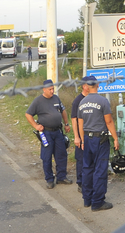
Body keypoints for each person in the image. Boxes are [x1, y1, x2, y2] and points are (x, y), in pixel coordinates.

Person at [76, 76, 119, 211]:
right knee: (100, 170)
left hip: (87, 139)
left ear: (87, 86)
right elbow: (109, 122)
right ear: (98, 85)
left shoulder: (82, 102)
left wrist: (82, 139)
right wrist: (115, 138)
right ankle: (97, 202)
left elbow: (80, 122)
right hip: (100, 139)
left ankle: (87, 199)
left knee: (87, 168)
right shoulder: (103, 101)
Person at [25, 79, 71, 189]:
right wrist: (36, 126)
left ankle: (61, 177)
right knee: (47, 157)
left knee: (61, 155)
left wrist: (66, 123)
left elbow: (63, 110)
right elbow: (28, 114)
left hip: (57, 131)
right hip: (46, 133)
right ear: (44, 89)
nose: (52, 91)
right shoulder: (38, 101)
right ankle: (49, 179)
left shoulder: (56, 98)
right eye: (50, 89)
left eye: (53, 89)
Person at [70, 79, 92, 192]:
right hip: (81, 135)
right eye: (89, 84)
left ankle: (89, 181)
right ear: (84, 86)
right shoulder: (78, 101)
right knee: (81, 159)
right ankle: (81, 182)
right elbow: (74, 120)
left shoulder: (93, 99)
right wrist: (77, 136)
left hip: (91, 134)